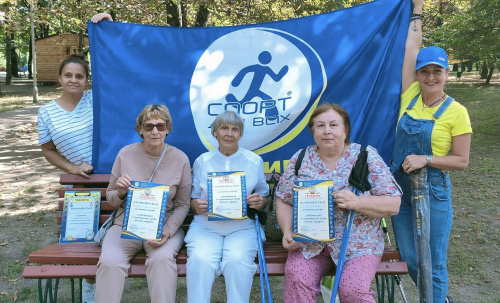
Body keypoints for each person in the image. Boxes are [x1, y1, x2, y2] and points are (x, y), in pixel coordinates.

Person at [391, 0, 472, 303]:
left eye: (437, 70)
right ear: (417, 75)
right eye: (424, 70)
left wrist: (426, 158)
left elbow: (461, 161)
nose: (430, 76)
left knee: (433, 264)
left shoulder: (456, 112)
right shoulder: (409, 95)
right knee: (412, 259)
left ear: (446, 73)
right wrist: (418, 8)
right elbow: (412, 46)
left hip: (434, 192)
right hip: (401, 192)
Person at [275, 102, 402, 303]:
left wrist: (358, 202)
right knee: (297, 277)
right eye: (320, 126)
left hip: (358, 245)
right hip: (310, 243)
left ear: (346, 130)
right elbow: (284, 199)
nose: (327, 131)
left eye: (333, 125)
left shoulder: (365, 156)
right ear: (312, 131)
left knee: (352, 290)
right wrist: (287, 231)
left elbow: (393, 204)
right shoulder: (300, 159)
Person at [95, 104, 192, 303]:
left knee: (161, 260)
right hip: (125, 225)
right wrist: (121, 192)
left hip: (163, 227)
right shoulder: (125, 154)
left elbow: (183, 204)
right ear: (140, 129)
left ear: (168, 129)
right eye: (149, 126)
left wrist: (168, 230)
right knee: (110, 261)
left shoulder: (180, 158)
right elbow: (111, 197)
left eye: (160, 126)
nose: (155, 131)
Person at [186, 110, 269, 303]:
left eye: (235, 129)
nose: (229, 134)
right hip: (207, 228)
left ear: (240, 134)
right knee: (200, 262)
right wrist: (196, 205)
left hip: (242, 229)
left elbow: (264, 194)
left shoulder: (253, 161)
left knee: (237, 263)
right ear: (215, 132)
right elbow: (193, 199)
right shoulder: (202, 161)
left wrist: (260, 201)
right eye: (224, 128)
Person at [37, 53, 96, 302]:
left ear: (86, 79)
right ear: (59, 78)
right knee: (86, 245)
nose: (74, 80)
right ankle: (90, 294)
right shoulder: (47, 113)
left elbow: (116, 69)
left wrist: (107, 24)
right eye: (68, 75)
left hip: (113, 177)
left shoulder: (96, 99)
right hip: (81, 184)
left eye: (79, 76)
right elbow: (47, 149)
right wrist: (71, 168)